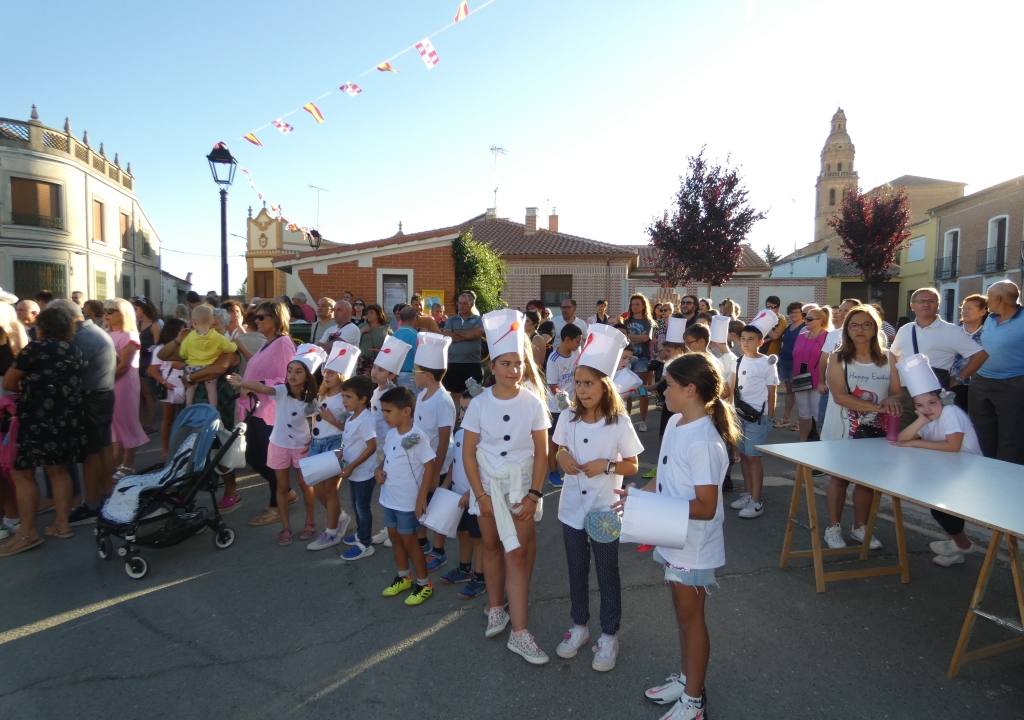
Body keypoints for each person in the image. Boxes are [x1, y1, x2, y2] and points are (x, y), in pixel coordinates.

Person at [613, 353, 739, 720]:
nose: (661, 390)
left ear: (690, 389)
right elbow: (665, 477)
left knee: (691, 620)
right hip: (672, 536)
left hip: (693, 545)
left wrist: (655, 509)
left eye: (667, 385)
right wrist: (640, 495)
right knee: (682, 616)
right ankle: (687, 680)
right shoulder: (677, 424)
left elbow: (706, 506)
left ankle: (695, 700)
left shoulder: (704, 441)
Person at [552, 325, 642, 672]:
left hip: (605, 509)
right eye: (578, 382)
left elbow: (633, 464)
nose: (582, 389)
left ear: (605, 385)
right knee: (576, 570)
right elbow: (558, 449)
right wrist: (561, 458)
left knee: (607, 572)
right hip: (572, 509)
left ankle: (609, 634)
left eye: (589, 383)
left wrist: (606, 465)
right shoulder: (568, 417)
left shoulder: (618, 421)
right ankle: (579, 627)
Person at [463, 309, 551, 664]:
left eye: (518, 363)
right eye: (505, 363)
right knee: (490, 546)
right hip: (486, 485)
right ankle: (495, 606)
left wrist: (534, 493)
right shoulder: (480, 403)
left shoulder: (532, 402)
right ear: (493, 366)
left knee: (516, 552)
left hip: (519, 487)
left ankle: (520, 632)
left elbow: (543, 453)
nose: (513, 370)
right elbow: (468, 453)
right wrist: (481, 496)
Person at [0, 307, 85, 556]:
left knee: (22, 473)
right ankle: (62, 524)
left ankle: (27, 533)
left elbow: (9, 381)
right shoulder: (74, 350)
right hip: (66, 418)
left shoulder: (35, 349)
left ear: (42, 327)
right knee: (58, 470)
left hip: (37, 418)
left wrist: (27, 387)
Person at [820, 305, 902, 549]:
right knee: (839, 479)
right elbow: (840, 396)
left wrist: (892, 400)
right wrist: (879, 408)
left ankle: (860, 527)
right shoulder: (838, 358)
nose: (860, 330)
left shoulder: (889, 358)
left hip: (875, 432)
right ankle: (833, 528)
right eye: (854, 325)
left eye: (866, 324)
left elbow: (897, 392)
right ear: (846, 329)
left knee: (866, 481)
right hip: (842, 430)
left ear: (875, 328)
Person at [228, 344, 324, 545]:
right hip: (279, 445)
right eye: (289, 370)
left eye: (298, 372)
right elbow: (263, 387)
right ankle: (286, 528)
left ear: (307, 376)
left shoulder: (311, 400)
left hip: (301, 446)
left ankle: (309, 522)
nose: (292, 375)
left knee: (306, 486)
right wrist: (242, 382)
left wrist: (313, 444)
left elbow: (316, 423)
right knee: (281, 487)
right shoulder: (281, 391)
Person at [895, 354, 983, 567]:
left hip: (971, 471)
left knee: (941, 507)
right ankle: (957, 547)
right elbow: (901, 439)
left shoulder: (950, 412)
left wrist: (916, 443)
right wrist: (921, 420)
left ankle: (962, 545)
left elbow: (953, 446)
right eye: (920, 405)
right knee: (939, 506)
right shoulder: (927, 417)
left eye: (932, 403)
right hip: (948, 469)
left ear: (941, 398)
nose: (927, 408)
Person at [230, 301, 300, 527]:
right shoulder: (267, 343)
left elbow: (288, 378)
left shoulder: (283, 343)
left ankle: (275, 505)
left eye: (262, 318)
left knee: (267, 460)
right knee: (253, 458)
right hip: (256, 409)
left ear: (276, 319)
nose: (256, 321)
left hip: (269, 410)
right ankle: (285, 492)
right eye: (256, 318)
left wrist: (254, 384)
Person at [377, 386, 436, 606]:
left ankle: (424, 583)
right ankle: (403, 576)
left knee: (411, 541)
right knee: (394, 537)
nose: (384, 416)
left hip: (407, 501)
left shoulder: (417, 436)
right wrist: (379, 470)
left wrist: (421, 498)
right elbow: (388, 457)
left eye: (388, 411)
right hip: (388, 497)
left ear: (406, 411)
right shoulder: (392, 434)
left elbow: (429, 465)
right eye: (383, 411)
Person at [890, 288, 985, 426]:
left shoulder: (952, 331)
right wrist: (895, 387)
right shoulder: (905, 329)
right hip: (906, 393)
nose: (926, 304)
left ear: (938, 305)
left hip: (934, 394)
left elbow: (980, 355)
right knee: (903, 436)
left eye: (931, 301)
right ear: (912, 305)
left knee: (934, 438)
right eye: (921, 301)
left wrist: (958, 378)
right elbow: (893, 355)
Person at [304, 343, 359, 551]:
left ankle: (331, 532)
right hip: (317, 443)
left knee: (329, 490)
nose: (327, 375)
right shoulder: (322, 394)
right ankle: (340, 518)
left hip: (334, 443)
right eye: (326, 371)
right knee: (317, 489)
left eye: (333, 373)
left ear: (342, 376)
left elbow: (350, 426)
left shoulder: (345, 398)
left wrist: (331, 419)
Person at [967, 280, 1024, 464]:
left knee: (1011, 435)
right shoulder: (990, 319)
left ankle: (1006, 479)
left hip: (1013, 384)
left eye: (989, 296)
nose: (986, 300)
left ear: (999, 299)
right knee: (981, 432)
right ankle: (984, 472)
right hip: (981, 383)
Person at [412, 332, 456, 568]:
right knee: (420, 502)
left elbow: (443, 438)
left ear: (427, 375)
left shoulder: (443, 401)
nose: (412, 375)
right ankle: (422, 542)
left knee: (436, 503)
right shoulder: (421, 395)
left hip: (438, 462)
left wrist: (435, 474)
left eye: (415, 370)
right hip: (421, 460)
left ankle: (438, 550)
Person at [438, 390, 487, 598]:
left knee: (479, 539)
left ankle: (480, 576)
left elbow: (485, 469)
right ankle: (464, 568)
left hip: (475, 496)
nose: (463, 414)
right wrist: (446, 485)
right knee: (463, 534)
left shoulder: (483, 437)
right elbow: (455, 463)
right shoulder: (459, 433)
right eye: (462, 409)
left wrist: (471, 491)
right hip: (457, 495)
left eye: (468, 409)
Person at [730, 324, 778, 519]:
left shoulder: (767, 363)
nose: (746, 343)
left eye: (751, 339)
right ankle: (749, 493)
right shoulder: (737, 361)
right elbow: (730, 388)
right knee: (743, 454)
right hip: (738, 415)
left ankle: (757, 501)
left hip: (757, 417)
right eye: (743, 339)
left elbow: (772, 390)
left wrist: (770, 416)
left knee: (753, 457)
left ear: (760, 342)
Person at [104, 298, 150, 479]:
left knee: (126, 422)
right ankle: (116, 463)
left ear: (123, 314)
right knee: (114, 424)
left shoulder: (129, 335)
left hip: (123, 385)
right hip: (110, 383)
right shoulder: (107, 334)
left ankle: (128, 463)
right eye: (105, 311)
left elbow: (123, 366)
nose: (106, 315)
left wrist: (104, 381)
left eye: (111, 311)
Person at [337, 375, 379, 560]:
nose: (344, 401)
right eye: (343, 396)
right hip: (353, 471)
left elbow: (372, 446)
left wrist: (352, 466)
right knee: (355, 504)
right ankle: (361, 533)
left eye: (348, 397)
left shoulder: (366, 420)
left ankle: (365, 543)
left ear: (362, 399)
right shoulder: (352, 418)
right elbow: (350, 442)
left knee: (362, 507)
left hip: (364, 473)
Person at [546, 323, 584, 487]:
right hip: (557, 407)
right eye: (576, 341)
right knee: (554, 442)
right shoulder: (553, 359)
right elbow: (552, 385)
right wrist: (563, 401)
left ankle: (571, 469)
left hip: (575, 405)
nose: (579, 344)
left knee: (572, 440)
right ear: (567, 340)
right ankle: (553, 473)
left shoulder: (577, 352)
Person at [179, 305, 237, 407]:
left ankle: (188, 406)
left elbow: (182, 353)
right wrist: (235, 345)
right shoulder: (217, 337)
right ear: (211, 322)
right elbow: (230, 348)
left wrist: (189, 374)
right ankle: (213, 408)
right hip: (209, 367)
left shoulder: (190, 337)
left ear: (194, 322)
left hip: (192, 367)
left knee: (190, 388)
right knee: (211, 390)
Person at [790, 305, 832, 441]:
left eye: (809, 319)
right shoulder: (801, 335)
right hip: (800, 378)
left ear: (821, 320)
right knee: (803, 414)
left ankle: (819, 443)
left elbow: (828, 360)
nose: (806, 321)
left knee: (817, 414)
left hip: (817, 381)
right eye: (805, 318)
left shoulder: (827, 336)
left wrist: (822, 381)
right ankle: (803, 442)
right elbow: (795, 355)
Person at [148, 319, 187, 461]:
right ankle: (165, 449)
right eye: (183, 329)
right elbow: (153, 370)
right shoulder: (160, 348)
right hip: (170, 386)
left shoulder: (186, 345)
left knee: (185, 418)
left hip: (185, 384)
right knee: (168, 418)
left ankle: (181, 447)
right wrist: (165, 383)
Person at [441, 292, 485, 397]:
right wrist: (468, 334)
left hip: (472, 364)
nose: (461, 306)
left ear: (471, 304)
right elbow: (447, 337)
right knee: (453, 394)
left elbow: (477, 333)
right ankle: (457, 414)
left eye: (464, 303)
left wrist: (456, 332)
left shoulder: (478, 320)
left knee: (474, 395)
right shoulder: (451, 320)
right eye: (459, 303)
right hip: (453, 364)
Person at [949, 294, 987, 411]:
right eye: (963, 308)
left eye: (969, 308)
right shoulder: (953, 332)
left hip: (982, 387)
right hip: (953, 385)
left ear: (982, 312)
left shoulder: (989, 334)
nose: (965, 311)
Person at [624, 294, 655, 433]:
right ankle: (627, 420)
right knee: (628, 391)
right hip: (627, 359)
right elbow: (623, 336)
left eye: (637, 304)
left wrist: (630, 337)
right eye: (632, 304)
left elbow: (645, 338)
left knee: (642, 390)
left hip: (642, 360)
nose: (634, 306)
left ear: (643, 306)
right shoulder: (626, 321)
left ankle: (642, 420)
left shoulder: (648, 322)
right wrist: (636, 338)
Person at [775, 301, 806, 430]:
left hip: (797, 364)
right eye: (791, 312)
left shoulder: (804, 328)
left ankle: (801, 422)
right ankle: (786, 419)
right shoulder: (788, 327)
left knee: (800, 394)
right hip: (785, 362)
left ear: (802, 314)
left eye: (796, 312)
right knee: (789, 392)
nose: (793, 314)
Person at [133, 297, 162, 429]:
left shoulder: (154, 325)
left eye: (136, 309)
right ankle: (142, 421)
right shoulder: (137, 323)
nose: (134, 311)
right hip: (137, 361)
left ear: (144, 310)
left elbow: (158, 347)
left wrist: (152, 366)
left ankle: (150, 423)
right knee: (140, 394)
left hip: (148, 361)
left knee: (148, 393)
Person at [357, 303, 391, 374]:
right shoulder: (361, 326)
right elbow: (354, 342)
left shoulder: (386, 328)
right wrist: (362, 331)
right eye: (367, 313)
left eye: (371, 313)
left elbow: (391, 346)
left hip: (380, 362)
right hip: (363, 362)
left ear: (378, 314)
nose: (368, 315)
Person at [393, 306, 420, 391]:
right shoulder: (415, 335)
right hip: (411, 375)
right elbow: (419, 357)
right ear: (415, 318)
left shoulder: (395, 334)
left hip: (396, 374)